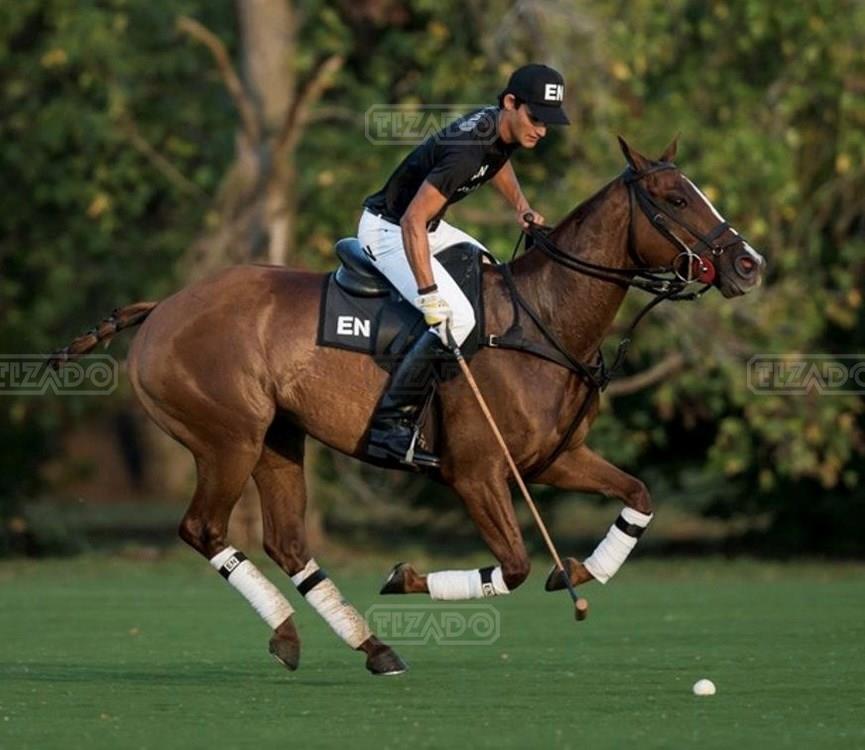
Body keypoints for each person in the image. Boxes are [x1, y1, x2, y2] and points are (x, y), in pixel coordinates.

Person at [360, 63, 570, 469]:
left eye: (548, 122)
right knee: (454, 319)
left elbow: (497, 162)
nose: (542, 131)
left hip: (426, 227)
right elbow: (412, 221)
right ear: (510, 102)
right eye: (536, 118)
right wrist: (429, 295)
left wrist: (521, 206)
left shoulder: (498, 128)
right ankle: (390, 426)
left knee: (493, 274)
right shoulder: (466, 150)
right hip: (390, 231)